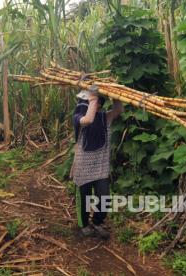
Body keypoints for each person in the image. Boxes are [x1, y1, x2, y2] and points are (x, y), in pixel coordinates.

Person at [70, 89, 123, 239]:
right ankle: (84, 225)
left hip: (100, 168)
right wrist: (92, 98)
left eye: (95, 102)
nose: (87, 104)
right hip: (83, 169)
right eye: (87, 102)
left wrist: (115, 95)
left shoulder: (104, 118)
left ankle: (98, 222)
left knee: (104, 197)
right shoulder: (78, 117)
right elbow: (88, 120)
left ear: (100, 104)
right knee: (84, 199)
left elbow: (119, 109)